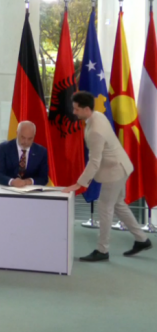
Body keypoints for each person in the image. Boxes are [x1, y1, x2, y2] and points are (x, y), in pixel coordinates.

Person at [62, 91, 152, 261]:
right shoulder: (97, 115)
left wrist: (79, 184)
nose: (74, 112)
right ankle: (142, 239)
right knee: (118, 205)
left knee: (105, 208)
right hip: (121, 166)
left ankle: (102, 250)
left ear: (86, 109)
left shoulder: (95, 130)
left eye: (76, 109)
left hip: (114, 172)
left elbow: (94, 162)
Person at [0, 121, 49, 187]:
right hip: (5, 188)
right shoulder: (4, 148)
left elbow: (43, 178)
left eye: (30, 139)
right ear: (17, 133)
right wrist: (12, 182)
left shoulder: (41, 152)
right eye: (23, 137)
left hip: (29, 190)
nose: (26, 142)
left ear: (34, 136)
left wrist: (28, 182)